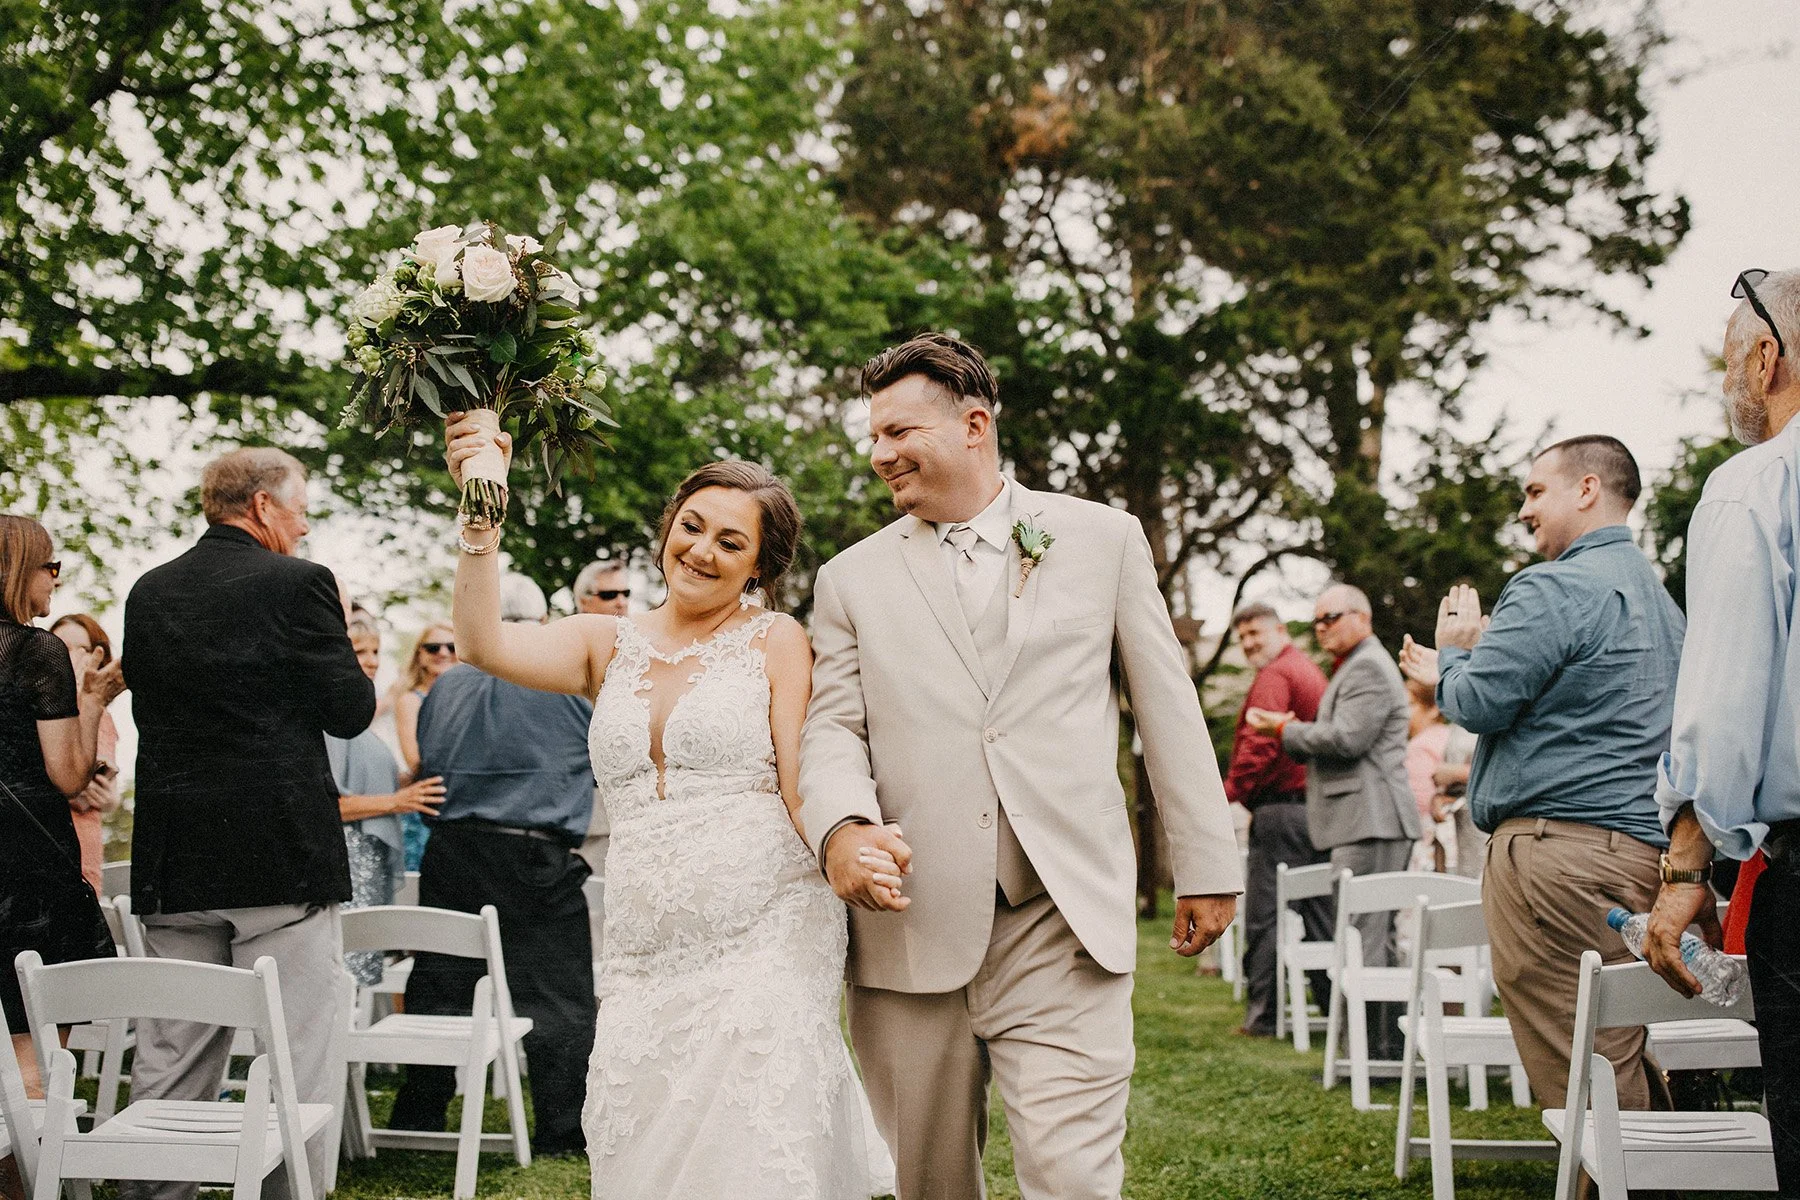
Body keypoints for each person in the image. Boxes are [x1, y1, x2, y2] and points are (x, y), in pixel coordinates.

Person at [800, 333, 1242, 1200]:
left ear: (974, 425)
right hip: (911, 923)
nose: (880, 454)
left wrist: (1207, 862)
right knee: (927, 1184)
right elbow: (834, 729)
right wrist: (843, 828)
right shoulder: (849, 580)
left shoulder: (1104, 539)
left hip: (1062, 916)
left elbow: (1167, 705)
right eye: (874, 435)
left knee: (1075, 1179)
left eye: (899, 431)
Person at [441, 417, 891, 1196]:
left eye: (730, 542)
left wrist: (844, 845)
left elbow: (800, 781)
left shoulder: (777, 640)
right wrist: (482, 508)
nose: (701, 550)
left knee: (750, 1146)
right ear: (668, 527)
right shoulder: (605, 642)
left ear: (758, 566)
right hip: (644, 944)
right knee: (648, 1149)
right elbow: (482, 643)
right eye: (692, 526)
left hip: (769, 928)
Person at [1397, 434, 1684, 1112]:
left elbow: (1476, 703)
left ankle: (1628, 1168)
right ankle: (1656, 1160)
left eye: (1534, 492)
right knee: (1613, 1038)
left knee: (1580, 1062)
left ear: (1587, 489)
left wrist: (1455, 654)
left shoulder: (1551, 586)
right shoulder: (1663, 604)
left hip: (1555, 860)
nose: (1523, 510)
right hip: (1641, 854)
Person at [121, 447, 375, 1200]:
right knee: (299, 1048)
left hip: (175, 853)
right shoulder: (301, 584)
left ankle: (156, 1192)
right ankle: (292, 1192)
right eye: (301, 510)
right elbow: (350, 711)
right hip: (279, 852)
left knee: (173, 1046)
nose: (305, 527)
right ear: (264, 505)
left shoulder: (148, 590)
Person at [1646, 267, 1800, 1191]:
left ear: (1768, 357)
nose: (1726, 381)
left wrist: (1684, 872)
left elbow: (1724, 704)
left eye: (1729, 360)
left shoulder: (1756, 485)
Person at [387, 574, 595, 1160]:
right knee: (557, 993)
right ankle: (562, 1129)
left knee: (439, 981)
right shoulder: (564, 680)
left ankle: (421, 1113)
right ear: (541, 621)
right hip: (534, 854)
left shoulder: (447, 685)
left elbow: (429, 760)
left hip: (452, 852)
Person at [1246, 582, 1418, 1060]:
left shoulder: (1368, 667)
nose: (1321, 628)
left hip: (1373, 819)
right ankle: (1382, 1047)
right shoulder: (1355, 666)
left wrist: (1284, 728)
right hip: (1365, 820)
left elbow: (1346, 739)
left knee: (1364, 936)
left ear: (1362, 616)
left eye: (1331, 618)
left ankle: (1370, 1053)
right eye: (1316, 621)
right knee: (1370, 934)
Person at [0, 517, 123, 1097]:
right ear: (18, 570)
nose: (56, 579)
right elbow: (69, 775)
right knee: (37, 1067)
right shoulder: (35, 650)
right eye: (50, 566)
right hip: (29, 866)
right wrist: (92, 703)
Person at [1221, 601, 1330, 1038]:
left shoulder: (1276, 675)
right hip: (1315, 811)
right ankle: (1335, 1010)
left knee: (1266, 915)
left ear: (1280, 631)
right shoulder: (1308, 670)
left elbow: (1260, 745)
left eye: (1255, 633)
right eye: (1242, 637)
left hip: (1280, 812)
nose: (1248, 643)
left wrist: (1229, 793)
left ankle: (1263, 1017)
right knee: (1321, 915)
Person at [331, 614, 444, 985]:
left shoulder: (357, 719)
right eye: (360, 651)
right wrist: (399, 801)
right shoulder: (332, 721)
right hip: (350, 866)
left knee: (365, 973)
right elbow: (330, 805)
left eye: (376, 651)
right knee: (349, 977)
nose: (372, 661)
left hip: (368, 866)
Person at [49, 613, 122, 894]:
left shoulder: (101, 718)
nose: (66, 656)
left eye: (79, 649)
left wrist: (110, 798)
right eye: (58, 646)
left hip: (79, 851)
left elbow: (85, 789)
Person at [390, 620, 456, 868]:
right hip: (428, 804)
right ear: (420, 654)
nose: (443, 653)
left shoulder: (470, 696)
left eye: (452, 647)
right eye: (433, 647)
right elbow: (416, 760)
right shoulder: (410, 700)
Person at [1404, 679, 1452, 873]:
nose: (1404, 713)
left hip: (1428, 835)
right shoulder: (1450, 736)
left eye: (1411, 705)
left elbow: (1419, 802)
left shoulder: (1418, 747)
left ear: (1434, 709)